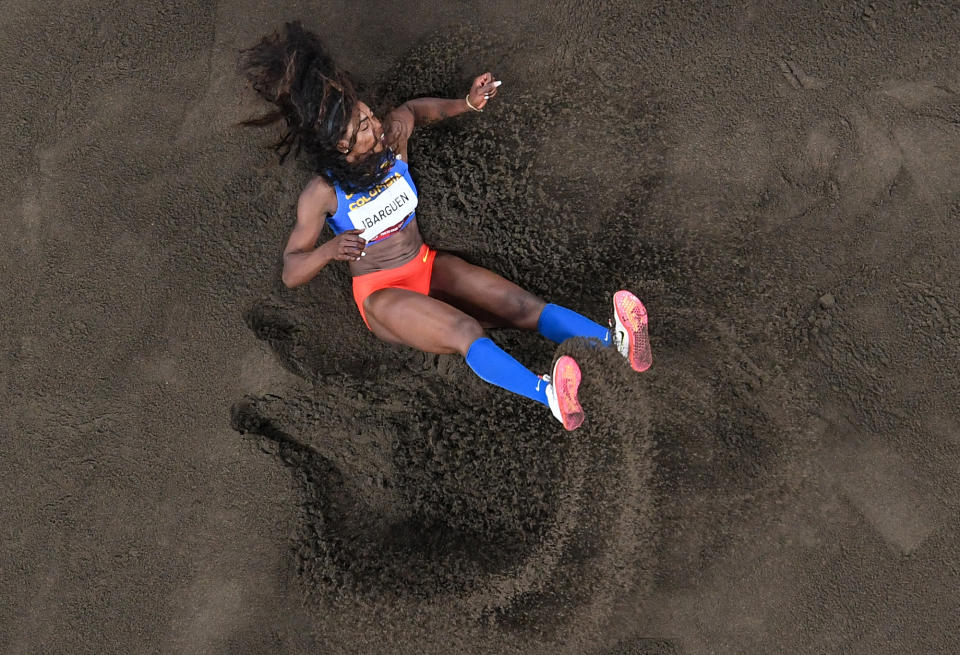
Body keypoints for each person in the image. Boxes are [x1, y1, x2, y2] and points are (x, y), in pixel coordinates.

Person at [238, 21, 651, 431]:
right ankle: (550, 396)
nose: (376, 125)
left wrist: (467, 104)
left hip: (426, 264)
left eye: (367, 114)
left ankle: (615, 343)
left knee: (523, 307)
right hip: (382, 295)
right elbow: (291, 271)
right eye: (363, 128)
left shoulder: (391, 139)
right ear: (342, 148)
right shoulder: (322, 193)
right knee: (464, 329)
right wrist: (329, 250)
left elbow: (416, 111)